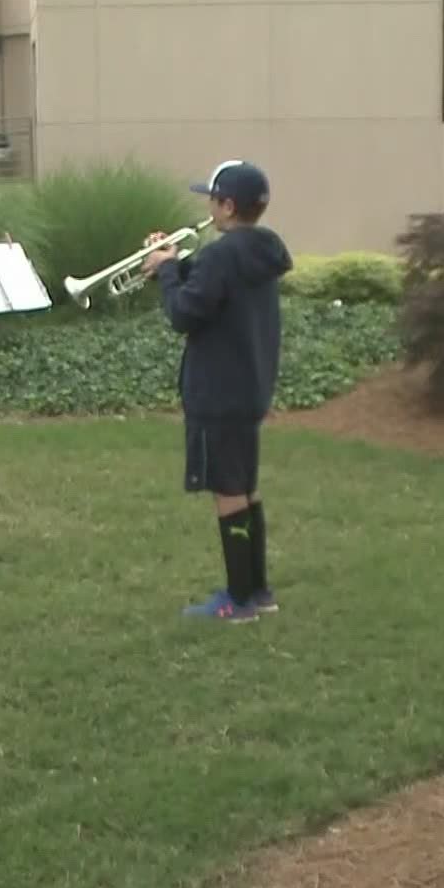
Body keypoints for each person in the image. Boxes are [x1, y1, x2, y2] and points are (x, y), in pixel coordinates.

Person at [141, 160, 293, 623]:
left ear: (227, 206)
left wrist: (168, 273)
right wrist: (174, 261)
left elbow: (185, 314)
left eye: (212, 198)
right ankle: (258, 589)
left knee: (228, 492)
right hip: (248, 387)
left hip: (218, 392)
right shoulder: (259, 250)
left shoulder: (222, 255)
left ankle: (238, 599)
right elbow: (216, 287)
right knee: (245, 488)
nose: (208, 208)